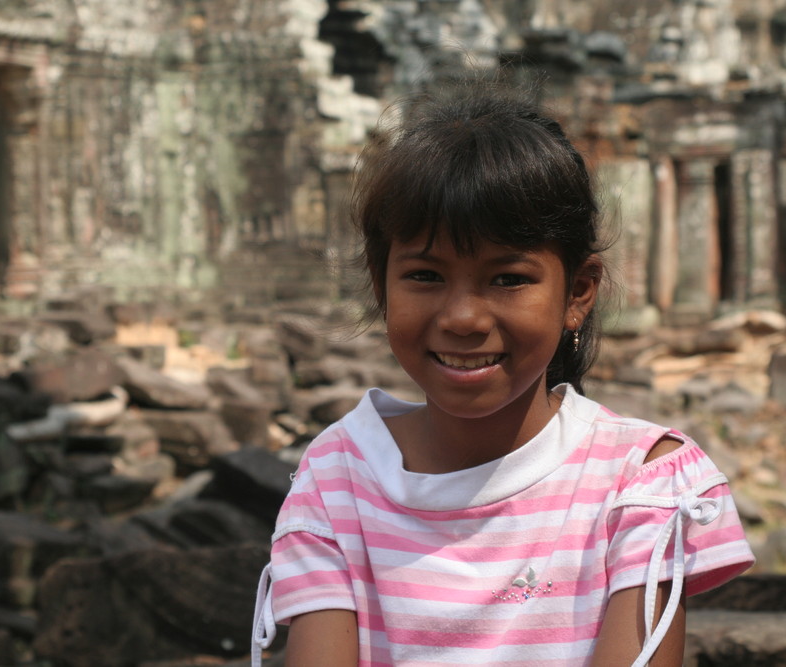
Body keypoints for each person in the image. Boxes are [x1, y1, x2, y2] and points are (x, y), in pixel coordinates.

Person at [250, 76, 755, 667]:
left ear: (578, 292)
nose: (462, 317)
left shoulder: (642, 486)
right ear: (381, 286)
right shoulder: (337, 481)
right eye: (425, 276)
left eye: (508, 278)